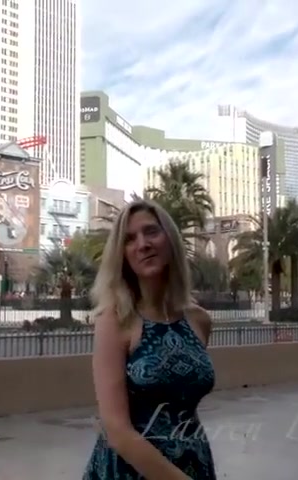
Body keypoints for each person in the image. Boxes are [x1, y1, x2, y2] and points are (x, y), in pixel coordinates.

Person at [83, 200, 217, 479]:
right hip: (129, 471)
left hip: (194, 462)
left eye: (151, 231)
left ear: (170, 239)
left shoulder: (198, 320)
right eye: (130, 239)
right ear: (122, 255)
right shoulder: (115, 320)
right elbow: (117, 431)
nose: (142, 244)